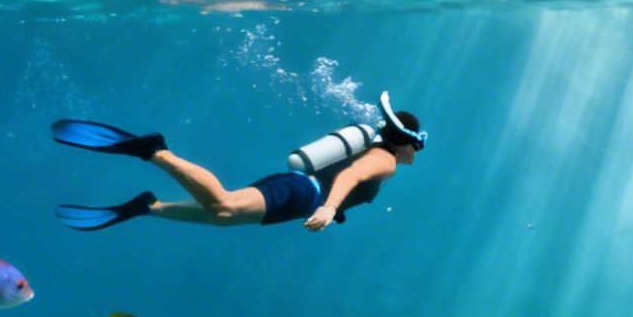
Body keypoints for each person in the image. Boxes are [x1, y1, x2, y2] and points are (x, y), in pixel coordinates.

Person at [50, 93, 425, 231]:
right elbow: (351, 173)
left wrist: (333, 207)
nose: (415, 156)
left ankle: (149, 207)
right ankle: (156, 152)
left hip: (296, 192)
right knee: (225, 206)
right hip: (302, 194)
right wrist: (329, 208)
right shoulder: (384, 160)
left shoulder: (371, 147)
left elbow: (345, 175)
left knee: (220, 217)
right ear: (405, 143)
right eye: (416, 147)